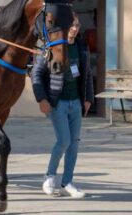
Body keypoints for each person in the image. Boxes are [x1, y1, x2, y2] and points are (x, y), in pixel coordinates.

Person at [31, 13, 94, 198]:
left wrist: (88, 98)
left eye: (77, 25)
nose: (74, 28)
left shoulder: (82, 48)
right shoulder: (52, 46)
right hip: (57, 102)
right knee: (64, 141)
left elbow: (88, 74)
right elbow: (36, 74)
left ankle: (67, 183)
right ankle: (50, 176)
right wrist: (41, 98)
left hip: (76, 103)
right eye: (71, 25)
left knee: (74, 145)